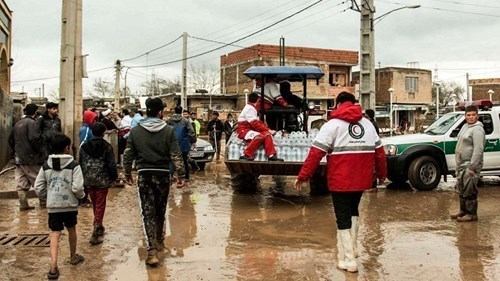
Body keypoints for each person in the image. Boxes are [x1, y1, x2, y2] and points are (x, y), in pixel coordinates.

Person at [294, 92, 386, 273]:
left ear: (338, 104)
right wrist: (382, 175)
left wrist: (303, 176)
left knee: (342, 216)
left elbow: (315, 154)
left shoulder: (331, 125)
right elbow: (380, 153)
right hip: (361, 179)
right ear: (354, 103)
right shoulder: (367, 124)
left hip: (341, 180)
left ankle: (349, 260)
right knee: (353, 210)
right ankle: (353, 249)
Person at [123, 97, 186, 267]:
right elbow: (176, 154)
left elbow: (128, 154)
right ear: (160, 112)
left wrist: (127, 173)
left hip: (144, 174)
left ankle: (151, 250)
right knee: (160, 209)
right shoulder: (169, 130)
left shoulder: (135, 131)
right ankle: (159, 242)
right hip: (163, 175)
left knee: (147, 211)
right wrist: (181, 175)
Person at [34, 134, 86, 279]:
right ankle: (73, 257)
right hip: (70, 206)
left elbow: (38, 187)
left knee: (55, 233)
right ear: (67, 148)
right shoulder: (74, 165)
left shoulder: (46, 166)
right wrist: (82, 197)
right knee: (71, 229)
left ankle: (53, 267)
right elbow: (77, 188)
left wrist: (47, 197)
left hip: (53, 206)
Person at [79, 122, 118, 245]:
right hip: (102, 180)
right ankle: (96, 228)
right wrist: (114, 178)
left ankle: (99, 224)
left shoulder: (84, 147)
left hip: (88, 180)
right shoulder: (107, 146)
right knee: (100, 204)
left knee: (95, 202)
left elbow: (80, 163)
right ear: (103, 133)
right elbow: (111, 164)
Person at [8, 103, 45, 210]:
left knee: (21, 183)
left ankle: (23, 204)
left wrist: (16, 151)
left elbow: (10, 140)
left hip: (18, 158)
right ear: (36, 112)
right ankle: (44, 204)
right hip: (31, 158)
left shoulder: (18, 123)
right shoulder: (32, 123)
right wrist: (40, 151)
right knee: (39, 181)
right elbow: (34, 139)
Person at [452, 105, 485, 222]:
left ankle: (472, 214)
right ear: (465, 116)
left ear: (477, 116)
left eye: (473, 115)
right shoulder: (465, 126)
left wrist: (473, 166)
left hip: (469, 165)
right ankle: (464, 211)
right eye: (468, 115)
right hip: (461, 165)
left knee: (469, 190)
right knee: (462, 189)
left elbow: (478, 149)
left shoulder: (478, 129)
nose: (471, 117)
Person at [237, 91, 283, 162]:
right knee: (260, 136)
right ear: (258, 100)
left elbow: (259, 123)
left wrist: (267, 130)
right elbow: (255, 124)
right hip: (244, 131)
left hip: (249, 130)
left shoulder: (252, 108)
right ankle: (246, 154)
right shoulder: (250, 108)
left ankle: (271, 155)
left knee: (267, 135)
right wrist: (269, 130)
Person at [167, 106, 196, 181]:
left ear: (174, 111)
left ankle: (170, 175)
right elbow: (191, 132)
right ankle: (186, 177)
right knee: (184, 160)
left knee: (172, 160)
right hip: (184, 145)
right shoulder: (185, 121)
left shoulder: (169, 121)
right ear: (181, 111)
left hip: (172, 144)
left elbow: (166, 131)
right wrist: (193, 141)